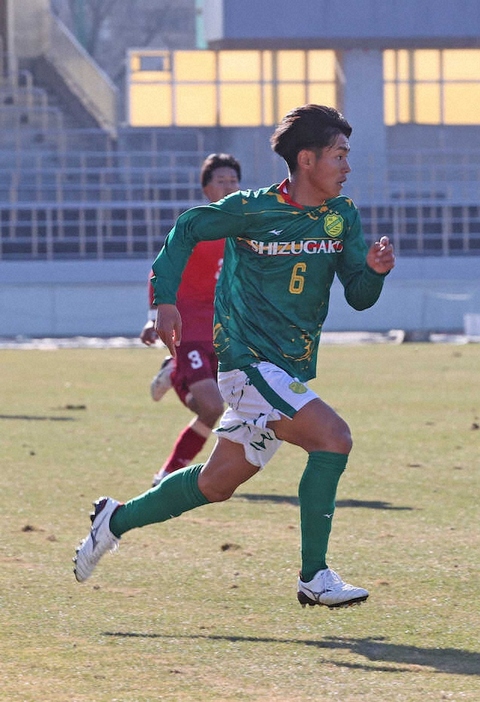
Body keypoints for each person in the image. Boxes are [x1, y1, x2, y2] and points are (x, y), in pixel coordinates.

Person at [74, 104, 396, 608]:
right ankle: (314, 576)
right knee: (334, 439)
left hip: (284, 370)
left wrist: (374, 271)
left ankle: (113, 519)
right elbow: (185, 229)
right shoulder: (251, 208)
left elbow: (358, 295)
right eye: (340, 156)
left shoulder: (342, 216)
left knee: (216, 483)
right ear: (307, 160)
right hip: (247, 364)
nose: (347, 167)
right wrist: (164, 302)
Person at [140, 153, 242, 487]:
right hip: (188, 328)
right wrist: (153, 316)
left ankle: (173, 371)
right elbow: (160, 270)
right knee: (212, 407)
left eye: (233, 181)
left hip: (225, 332)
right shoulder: (194, 225)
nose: (228, 187)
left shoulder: (244, 228)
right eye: (221, 181)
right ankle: (167, 476)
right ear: (206, 188)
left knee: (224, 409)